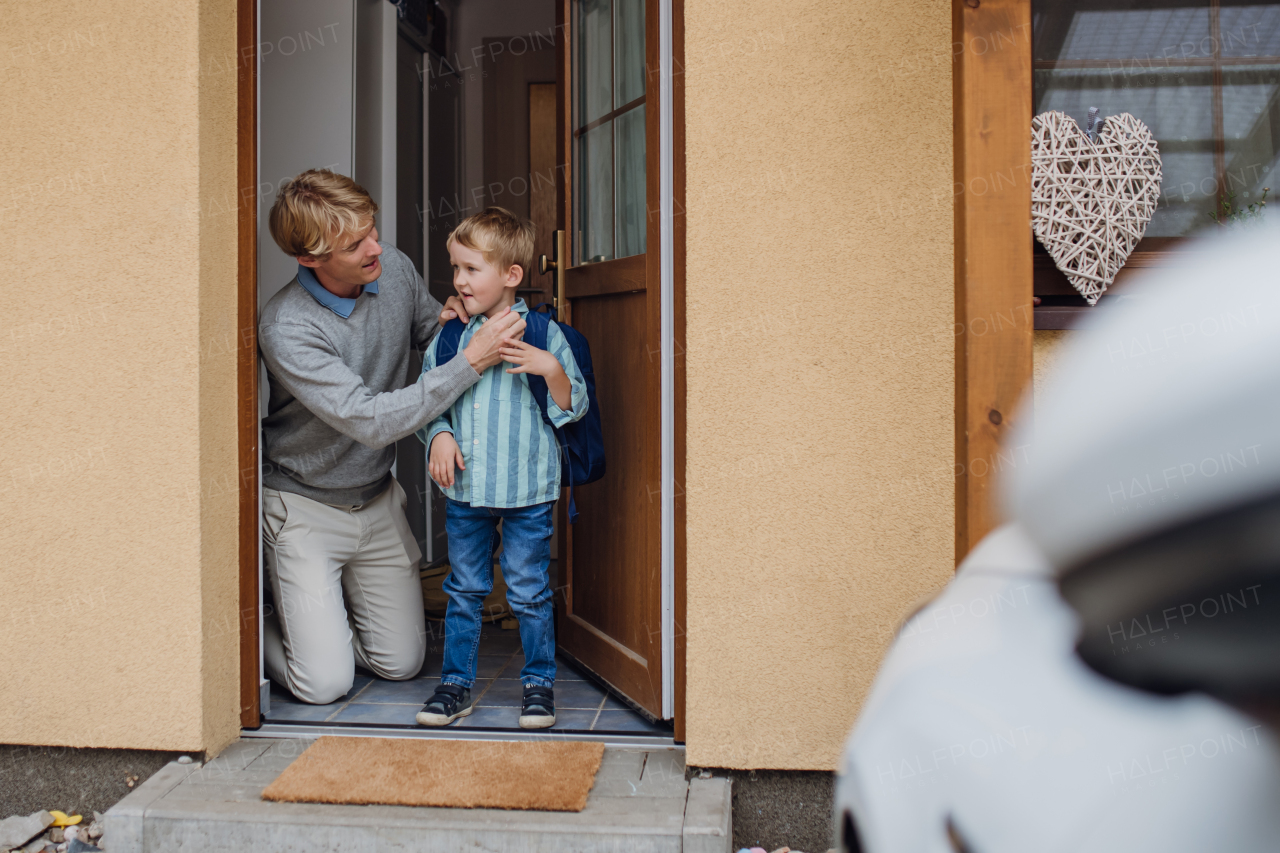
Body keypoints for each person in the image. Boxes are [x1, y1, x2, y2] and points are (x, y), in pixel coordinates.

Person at [257, 170, 525, 705]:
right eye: (355, 244)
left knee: (402, 664)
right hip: (305, 507)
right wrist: (471, 360)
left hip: (376, 498)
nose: (376, 247)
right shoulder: (287, 327)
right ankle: (257, 632)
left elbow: (431, 336)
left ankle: (322, 627)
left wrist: (457, 325)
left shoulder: (394, 268)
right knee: (324, 684)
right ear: (310, 258)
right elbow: (371, 418)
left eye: (371, 229)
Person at [414, 207, 589, 729]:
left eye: (472, 269)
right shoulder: (450, 337)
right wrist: (439, 435)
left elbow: (572, 406)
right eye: (456, 268)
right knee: (464, 589)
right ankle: (456, 685)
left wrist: (551, 369)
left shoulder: (547, 334)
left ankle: (538, 686)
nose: (459, 280)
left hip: (528, 491)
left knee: (528, 591)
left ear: (511, 276)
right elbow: (429, 399)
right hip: (466, 492)